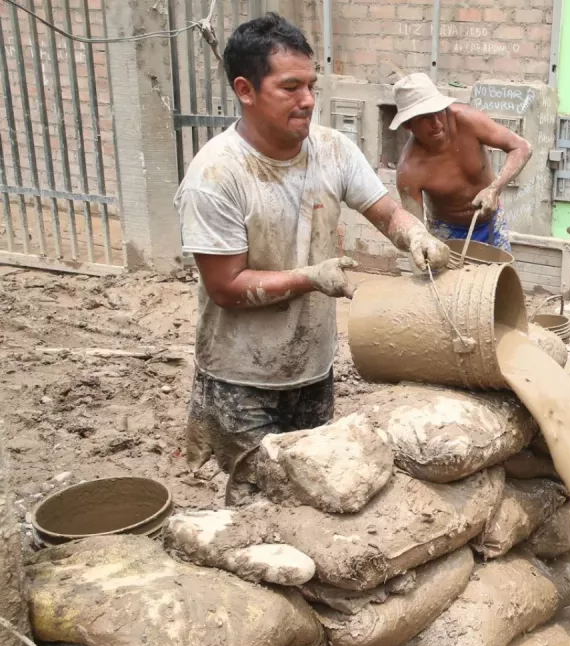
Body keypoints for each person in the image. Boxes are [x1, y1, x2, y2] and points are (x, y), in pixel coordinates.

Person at [176, 14, 451, 502]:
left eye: (311, 86)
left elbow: (384, 210)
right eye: (290, 88)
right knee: (256, 503)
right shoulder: (216, 176)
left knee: (308, 499)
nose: (307, 100)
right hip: (241, 379)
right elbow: (225, 286)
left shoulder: (331, 149)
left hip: (312, 367)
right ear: (245, 89)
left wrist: (414, 235)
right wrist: (309, 277)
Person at [394, 73, 533, 252]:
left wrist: (493, 189)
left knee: (501, 277)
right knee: (447, 279)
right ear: (407, 125)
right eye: (424, 118)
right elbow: (416, 236)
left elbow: (522, 147)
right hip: (446, 232)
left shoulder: (468, 120)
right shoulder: (409, 171)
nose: (436, 123)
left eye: (438, 111)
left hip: (490, 223)